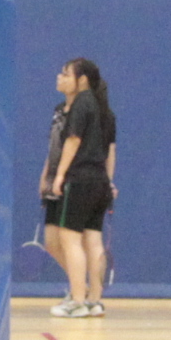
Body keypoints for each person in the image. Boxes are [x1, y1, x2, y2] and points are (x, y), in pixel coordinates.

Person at [42, 55, 117, 318]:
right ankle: (94, 299)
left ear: (82, 80)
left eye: (65, 73)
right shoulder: (97, 107)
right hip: (98, 182)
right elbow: (108, 151)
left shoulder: (82, 104)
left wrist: (60, 176)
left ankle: (77, 301)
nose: (59, 77)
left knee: (70, 240)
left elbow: (73, 141)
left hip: (79, 180)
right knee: (93, 241)